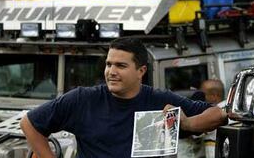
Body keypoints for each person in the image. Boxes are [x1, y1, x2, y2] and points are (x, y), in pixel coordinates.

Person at [20, 38, 227, 158]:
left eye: (121, 66)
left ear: (141, 71)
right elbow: (29, 123)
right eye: (109, 64)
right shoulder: (82, 99)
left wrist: (188, 123)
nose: (111, 71)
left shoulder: (159, 100)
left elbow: (219, 113)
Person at [199, 79, 226, 158]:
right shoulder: (229, 109)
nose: (200, 98)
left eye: (202, 95)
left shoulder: (214, 113)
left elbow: (193, 131)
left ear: (214, 96)